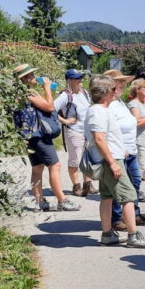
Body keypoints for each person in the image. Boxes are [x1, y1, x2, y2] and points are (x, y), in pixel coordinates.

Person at [84, 75, 145, 248]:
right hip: (110, 160)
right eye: (113, 88)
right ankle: (133, 235)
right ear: (106, 92)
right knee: (128, 196)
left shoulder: (102, 109)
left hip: (111, 157)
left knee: (107, 197)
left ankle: (107, 234)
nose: (116, 91)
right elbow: (99, 139)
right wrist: (113, 162)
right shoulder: (98, 111)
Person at [12, 64, 80, 212]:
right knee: (55, 166)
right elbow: (49, 107)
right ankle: (62, 200)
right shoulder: (29, 92)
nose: (35, 77)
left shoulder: (17, 93)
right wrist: (47, 88)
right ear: (25, 79)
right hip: (39, 135)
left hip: (29, 136)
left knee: (37, 168)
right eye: (32, 75)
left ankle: (39, 202)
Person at [103, 70, 145, 230]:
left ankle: (133, 214)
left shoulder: (120, 102)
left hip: (130, 150)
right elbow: (107, 131)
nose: (123, 84)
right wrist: (120, 148)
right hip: (120, 152)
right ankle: (117, 218)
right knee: (120, 186)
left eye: (123, 82)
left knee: (135, 182)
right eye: (119, 82)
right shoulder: (108, 105)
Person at [55, 68, 95, 197]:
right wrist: (64, 121)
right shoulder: (65, 95)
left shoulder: (85, 93)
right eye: (77, 78)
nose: (80, 80)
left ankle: (87, 184)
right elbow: (51, 109)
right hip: (74, 131)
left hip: (87, 131)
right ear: (69, 80)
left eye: (81, 77)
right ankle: (76, 186)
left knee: (87, 158)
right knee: (75, 160)